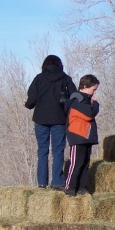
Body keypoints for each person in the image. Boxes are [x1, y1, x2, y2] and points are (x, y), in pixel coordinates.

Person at [24, 55, 77, 190]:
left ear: (44, 65)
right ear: (60, 65)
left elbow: (32, 98)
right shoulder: (65, 79)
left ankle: (42, 182)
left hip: (41, 119)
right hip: (59, 119)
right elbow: (74, 97)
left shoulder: (39, 78)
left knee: (42, 150)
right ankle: (57, 182)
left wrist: (28, 105)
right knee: (58, 150)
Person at [64, 74, 100, 196]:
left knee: (85, 163)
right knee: (76, 163)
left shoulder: (84, 100)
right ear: (85, 86)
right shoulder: (77, 100)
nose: (94, 93)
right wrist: (95, 104)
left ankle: (82, 187)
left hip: (86, 137)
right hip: (78, 136)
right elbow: (89, 114)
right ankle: (70, 187)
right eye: (93, 89)